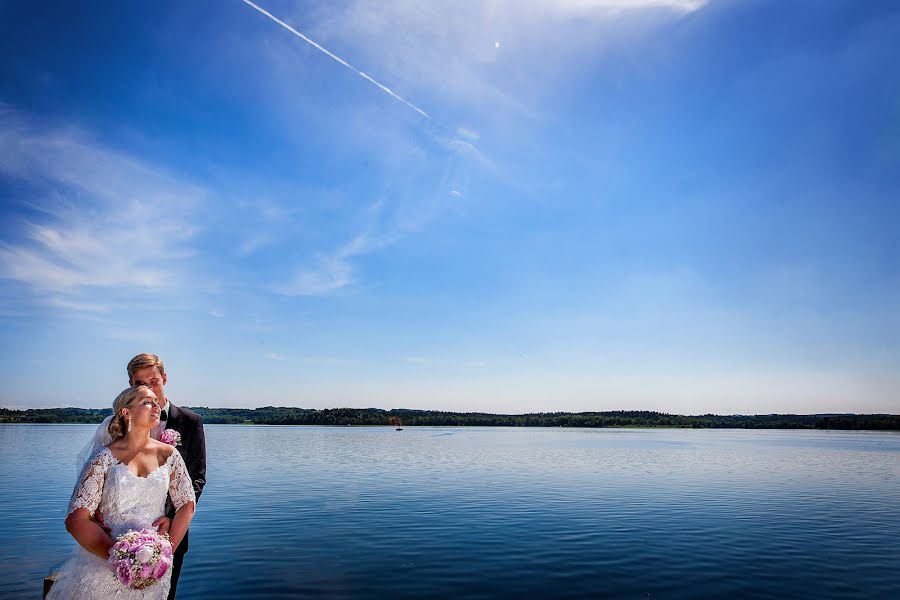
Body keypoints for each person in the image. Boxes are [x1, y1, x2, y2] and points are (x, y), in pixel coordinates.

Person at [76, 353, 206, 600]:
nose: (149, 389)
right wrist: (95, 515)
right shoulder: (111, 428)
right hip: (112, 536)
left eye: (153, 381)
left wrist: (169, 520)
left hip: (166, 538)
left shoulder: (190, 421)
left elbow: (197, 479)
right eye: (139, 384)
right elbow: (94, 481)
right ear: (130, 385)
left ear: (165, 378)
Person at [48, 385, 196, 599]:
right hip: (102, 566)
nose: (156, 405)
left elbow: (187, 504)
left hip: (154, 571)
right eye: (147, 402)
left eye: (156, 401)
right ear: (126, 412)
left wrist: (164, 553)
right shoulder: (103, 458)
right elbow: (75, 520)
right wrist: (120, 559)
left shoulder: (169, 455)